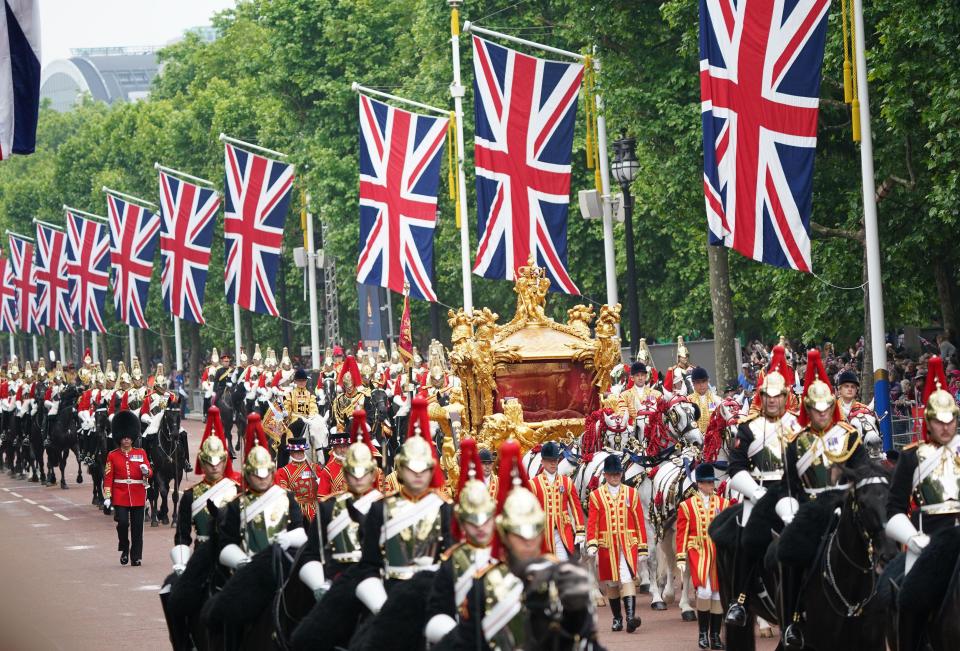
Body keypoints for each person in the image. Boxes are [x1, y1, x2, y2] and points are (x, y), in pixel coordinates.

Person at [434, 438, 603, 650]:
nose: (527, 541)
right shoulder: (484, 581)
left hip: (560, 533)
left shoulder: (569, 577)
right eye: (518, 533)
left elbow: (584, 639)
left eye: (533, 530)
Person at [775, 349, 870, 649]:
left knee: (878, 547)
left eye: (827, 407)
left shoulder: (850, 436)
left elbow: (864, 474)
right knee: (790, 553)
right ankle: (792, 621)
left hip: (845, 508)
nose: (822, 414)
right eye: (816, 409)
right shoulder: (796, 442)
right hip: (811, 511)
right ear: (808, 409)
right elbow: (788, 485)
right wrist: (792, 512)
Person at [886, 356, 960, 651]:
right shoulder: (911, 456)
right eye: (938, 422)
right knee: (911, 595)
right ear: (928, 421)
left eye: (950, 420)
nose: (945, 428)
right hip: (929, 540)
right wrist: (913, 538)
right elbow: (893, 510)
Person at [723, 348, 802, 627]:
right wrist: (756, 494)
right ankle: (740, 600)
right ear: (761, 396)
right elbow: (735, 468)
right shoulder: (747, 428)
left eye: (777, 396)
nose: (772, 401)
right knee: (747, 540)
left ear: (785, 397)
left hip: (791, 491)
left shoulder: (798, 426)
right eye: (767, 396)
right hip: (757, 491)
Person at [203, 444, 307, 650]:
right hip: (249, 572)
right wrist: (242, 561)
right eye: (257, 474)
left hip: (282, 567)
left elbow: (301, 531)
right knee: (231, 614)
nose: (262, 478)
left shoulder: (287, 498)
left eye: (266, 473)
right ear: (249, 475)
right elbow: (226, 545)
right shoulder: (236, 506)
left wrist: (288, 539)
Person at [423, 437, 497, 645]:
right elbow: (437, 609)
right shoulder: (451, 561)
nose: (480, 528)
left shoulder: (505, 556)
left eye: (485, 520)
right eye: (473, 522)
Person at [586, 455, 647, 633]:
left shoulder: (631, 493)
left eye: (618, 473)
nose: (615, 477)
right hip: (607, 545)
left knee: (627, 577)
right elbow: (593, 523)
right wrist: (592, 542)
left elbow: (639, 522)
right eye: (612, 474)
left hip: (628, 544)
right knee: (612, 583)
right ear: (605, 475)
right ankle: (617, 618)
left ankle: (630, 618)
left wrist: (643, 546)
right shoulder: (596, 496)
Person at [676, 463, 731, 650]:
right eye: (707, 483)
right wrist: (681, 557)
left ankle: (715, 635)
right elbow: (682, 533)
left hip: (717, 552)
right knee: (705, 591)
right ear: (699, 484)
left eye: (712, 482)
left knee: (717, 594)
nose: (711, 486)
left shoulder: (723, 503)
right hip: (698, 550)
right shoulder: (686, 505)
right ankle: (702, 634)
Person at [103, 409, 153, 566]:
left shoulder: (141, 452)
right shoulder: (112, 455)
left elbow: (149, 472)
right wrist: (107, 497)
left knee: (138, 528)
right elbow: (108, 476)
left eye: (128, 438)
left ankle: (136, 556)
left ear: (132, 438)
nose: (126, 440)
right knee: (123, 523)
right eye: (123, 438)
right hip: (120, 495)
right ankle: (124, 547)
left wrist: (146, 472)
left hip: (137, 494)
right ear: (119, 438)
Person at [529, 441, 584, 560]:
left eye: (555, 460)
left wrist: (580, 530)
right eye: (550, 461)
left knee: (563, 566)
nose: (553, 463)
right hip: (542, 534)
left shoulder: (566, 481)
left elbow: (576, 506)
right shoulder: (533, 484)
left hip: (563, 532)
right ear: (542, 462)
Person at [275, 436, 322, 521]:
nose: (300, 454)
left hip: (314, 509)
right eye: (296, 452)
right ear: (291, 452)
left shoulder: (315, 468)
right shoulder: (283, 472)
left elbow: (323, 489)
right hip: (296, 511)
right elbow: (283, 492)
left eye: (301, 451)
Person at [617, 361, 662, 427]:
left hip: (653, 428)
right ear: (632, 378)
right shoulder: (624, 396)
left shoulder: (657, 394)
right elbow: (622, 415)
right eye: (637, 375)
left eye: (642, 375)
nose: (640, 378)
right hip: (633, 431)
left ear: (646, 377)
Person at [689, 366, 722, 435]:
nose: (701, 385)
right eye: (698, 382)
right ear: (693, 383)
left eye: (703, 381)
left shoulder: (716, 399)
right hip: (694, 439)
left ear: (707, 381)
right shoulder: (688, 401)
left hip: (713, 438)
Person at [318, 430, 351, 497]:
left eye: (344, 446)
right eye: (339, 447)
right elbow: (322, 496)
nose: (342, 450)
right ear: (334, 449)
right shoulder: (327, 470)